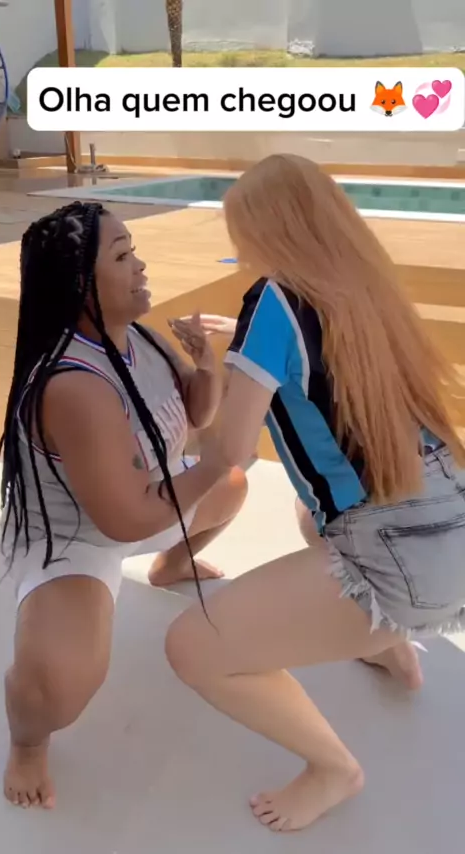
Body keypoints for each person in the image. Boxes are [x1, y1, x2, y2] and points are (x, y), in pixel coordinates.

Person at [165, 154, 465, 833]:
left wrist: (213, 366)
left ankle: (333, 768)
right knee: (311, 514)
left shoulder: (272, 300)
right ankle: (391, 648)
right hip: (448, 528)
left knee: (191, 647)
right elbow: (318, 353)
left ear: (265, 231)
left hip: (397, 560)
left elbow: (230, 451)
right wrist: (242, 341)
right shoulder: (367, 287)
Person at [0, 201, 248, 809]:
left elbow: (195, 413)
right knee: (60, 685)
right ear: (82, 285)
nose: (141, 265)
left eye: (134, 249)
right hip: (77, 539)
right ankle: (28, 741)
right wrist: (210, 464)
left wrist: (204, 365)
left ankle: (171, 565)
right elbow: (124, 520)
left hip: (147, 499)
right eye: (122, 255)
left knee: (234, 486)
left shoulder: (140, 339)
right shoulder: (74, 385)